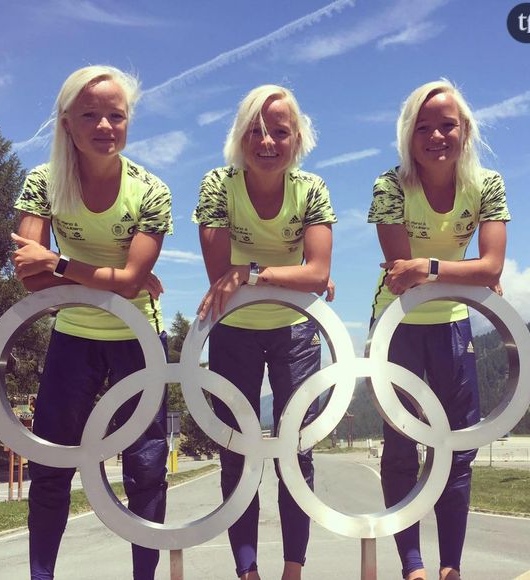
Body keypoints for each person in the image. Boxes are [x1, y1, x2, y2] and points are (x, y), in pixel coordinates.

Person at [12, 65, 172, 580]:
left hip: (138, 338)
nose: (105, 126)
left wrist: (61, 264)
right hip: (73, 337)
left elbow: (122, 281)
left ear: (128, 123)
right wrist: (115, 278)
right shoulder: (42, 182)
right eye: (90, 115)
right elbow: (28, 280)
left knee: (145, 471)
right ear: (66, 122)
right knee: (51, 466)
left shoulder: (152, 190)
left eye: (116, 116)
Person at [367, 79, 510, 580]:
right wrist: (461, 269)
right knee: (402, 445)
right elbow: (398, 272)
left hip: (453, 322)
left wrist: (431, 266)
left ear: (464, 130)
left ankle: (451, 566)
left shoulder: (487, 184)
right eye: (422, 127)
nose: (435, 136)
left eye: (446, 125)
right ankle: (412, 565)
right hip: (397, 324)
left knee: (458, 448)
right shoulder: (390, 185)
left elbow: (491, 267)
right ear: (408, 136)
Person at [193, 84, 337, 580]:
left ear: (297, 139)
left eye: (279, 131)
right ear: (240, 136)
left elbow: (318, 274)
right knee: (237, 453)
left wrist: (251, 272)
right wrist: (287, 272)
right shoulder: (217, 184)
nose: (268, 141)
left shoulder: (312, 189)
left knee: (296, 452)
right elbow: (220, 274)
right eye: (256, 130)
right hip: (233, 331)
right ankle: (247, 571)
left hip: (296, 330)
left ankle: (293, 570)